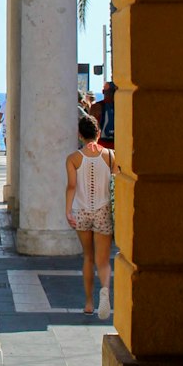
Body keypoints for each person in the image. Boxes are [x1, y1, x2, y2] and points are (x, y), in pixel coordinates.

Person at [65, 114, 115, 318]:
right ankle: (105, 292)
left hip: (82, 210)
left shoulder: (73, 158)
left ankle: (88, 303)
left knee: (88, 257)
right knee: (103, 260)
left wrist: (68, 210)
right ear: (99, 133)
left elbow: (71, 186)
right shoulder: (111, 155)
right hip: (103, 210)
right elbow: (116, 183)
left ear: (79, 135)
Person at [90, 81, 115, 147]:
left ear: (103, 92)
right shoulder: (121, 107)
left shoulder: (96, 107)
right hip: (116, 143)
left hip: (100, 144)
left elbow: (90, 127)